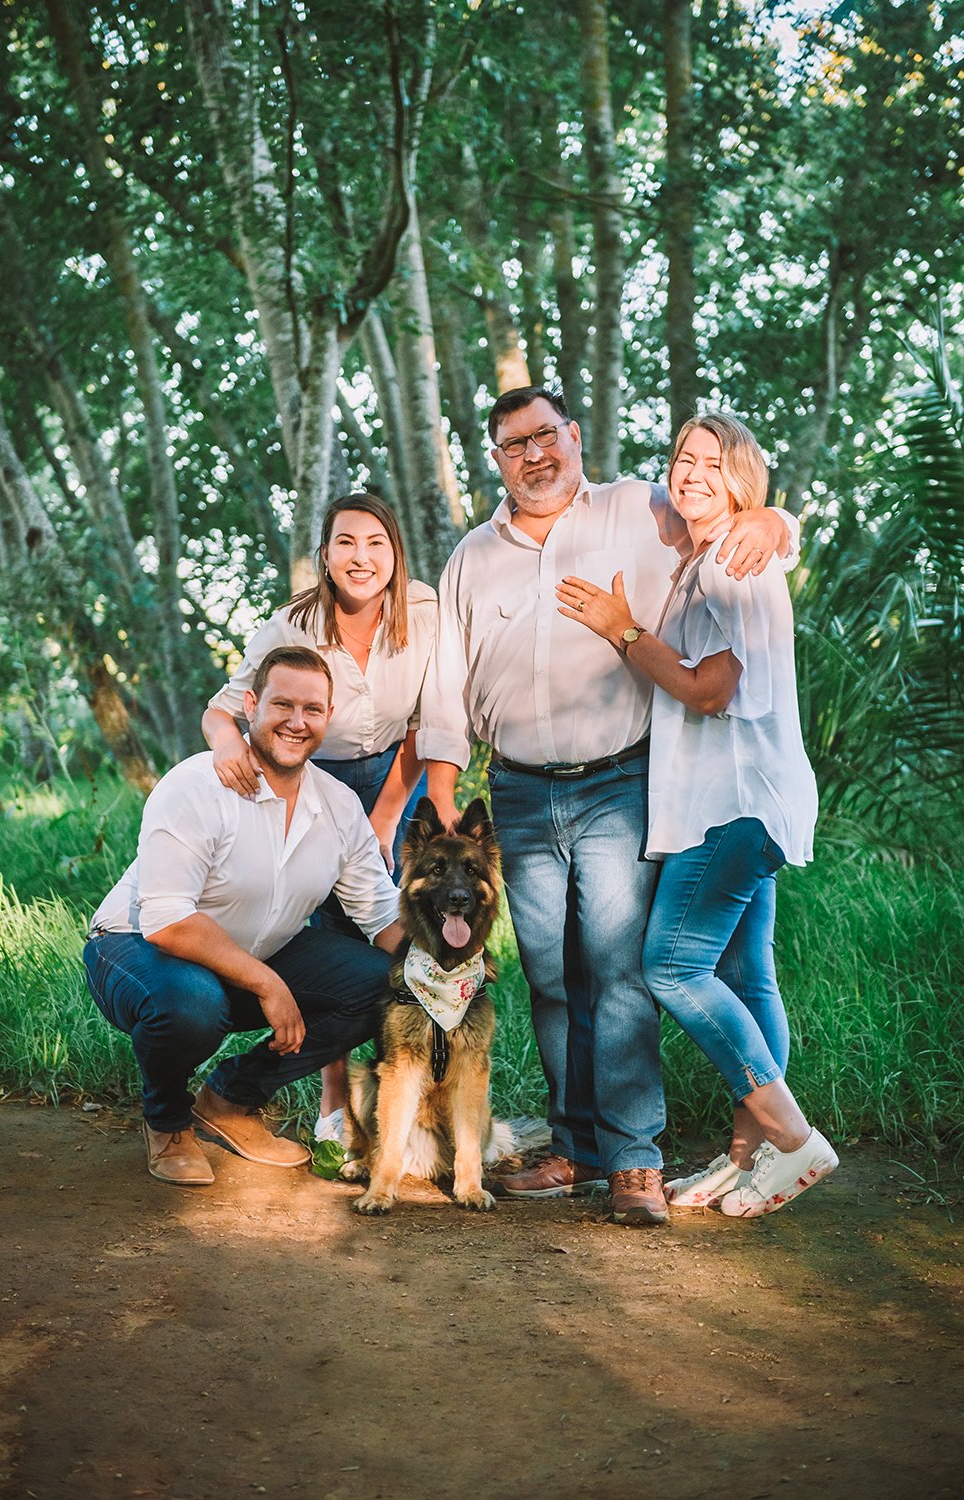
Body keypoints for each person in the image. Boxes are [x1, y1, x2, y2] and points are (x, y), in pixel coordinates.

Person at [418, 384, 799, 1225]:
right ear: (497, 458)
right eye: (514, 445)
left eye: (545, 436)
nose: (534, 456)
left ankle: (633, 1158)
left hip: (618, 784)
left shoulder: (638, 508)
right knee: (552, 978)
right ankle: (577, 1149)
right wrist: (443, 786)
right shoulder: (471, 557)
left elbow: (729, 510)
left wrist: (778, 523)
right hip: (514, 789)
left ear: (573, 435)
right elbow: (444, 683)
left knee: (623, 972)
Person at [557, 412, 837, 1217]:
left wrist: (623, 632)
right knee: (747, 978)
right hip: (747, 800)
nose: (690, 473)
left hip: (733, 804)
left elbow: (710, 692)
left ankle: (792, 1139)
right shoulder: (710, 557)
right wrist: (774, 520)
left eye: (711, 463)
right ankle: (748, 1160)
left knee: (671, 967)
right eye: (682, 458)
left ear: (740, 480)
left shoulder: (728, 560)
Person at [84, 647, 404, 1188]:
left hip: (253, 953)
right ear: (251, 705)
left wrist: (445, 969)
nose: (297, 722)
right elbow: (166, 921)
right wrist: (268, 983)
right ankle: (168, 1122)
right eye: (282, 704)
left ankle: (229, 1101)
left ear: (329, 716)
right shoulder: (195, 785)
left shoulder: (339, 805)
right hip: (137, 950)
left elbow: (379, 912)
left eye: (313, 709)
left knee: (387, 983)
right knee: (191, 1003)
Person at [202, 494, 435, 1142]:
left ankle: (406, 1094)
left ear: (395, 551)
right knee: (332, 936)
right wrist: (227, 746)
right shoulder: (291, 624)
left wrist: (388, 813)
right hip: (315, 777)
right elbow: (223, 711)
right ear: (325, 555)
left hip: (397, 776)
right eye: (346, 543)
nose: (361, 558)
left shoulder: (423, 610)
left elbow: (429, 720)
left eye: (375, 543)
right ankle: (335, 1106)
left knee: (396, 925)